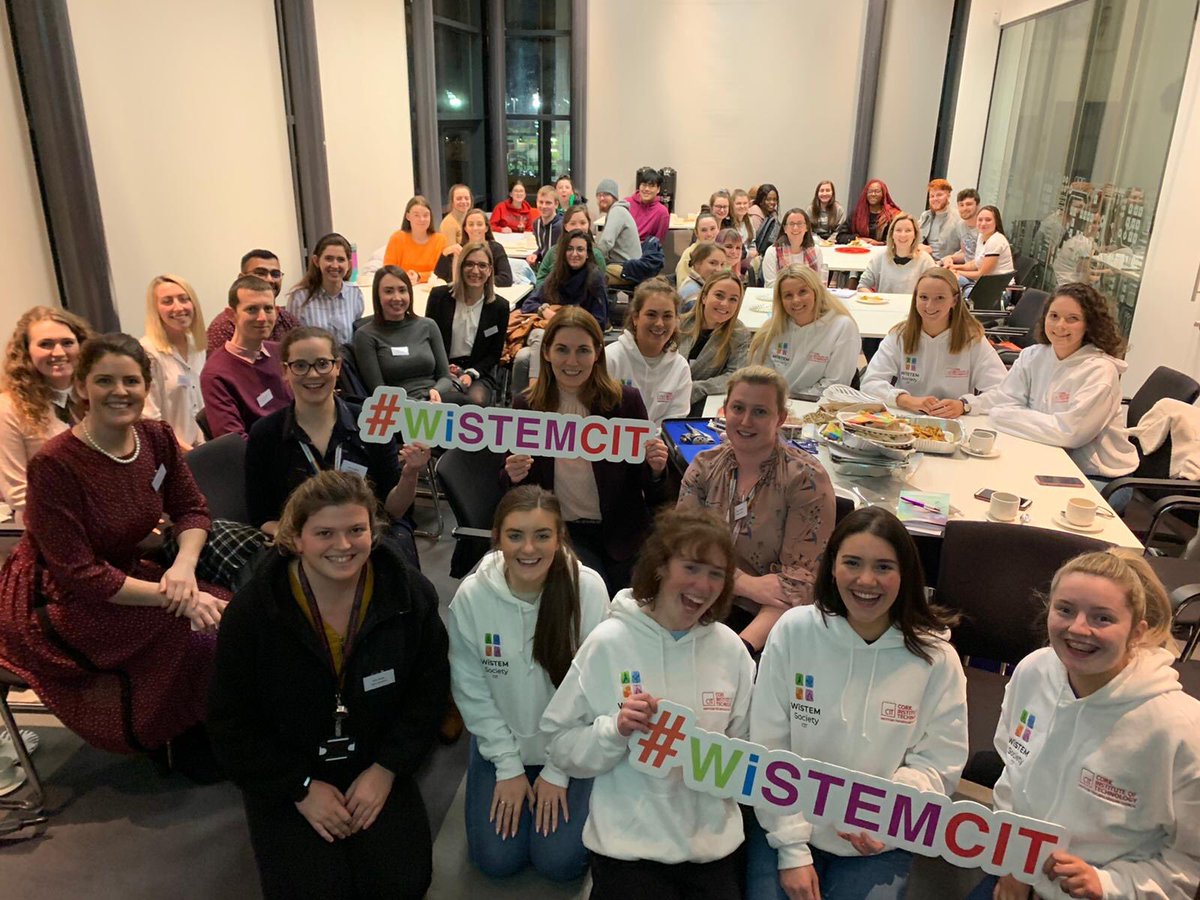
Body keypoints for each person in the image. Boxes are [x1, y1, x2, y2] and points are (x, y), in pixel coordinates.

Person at [208, 470, 448, 900]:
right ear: (296, 539)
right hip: (290, 773)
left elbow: (427, 696)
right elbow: (231, 723)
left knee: (402, 883)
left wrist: (387, 769)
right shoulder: (252, 613)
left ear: (373, 532)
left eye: (356, 530)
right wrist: (297, 787)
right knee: (312, 890)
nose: (343, 546)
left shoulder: (410, 596)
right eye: (324, 533)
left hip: (376, 762)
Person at [0, 333, 229, 758]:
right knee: (197, 633)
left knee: (228, 611)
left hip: (129, 573)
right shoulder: (55, 464)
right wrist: (174, 597)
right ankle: (168, 739)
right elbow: (79, 573)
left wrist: (183, 569)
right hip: (59, 600)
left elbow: (193, 510)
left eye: (131, 381)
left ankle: (203, 729)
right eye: (105, 381)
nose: (119, 392)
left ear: (146, 386)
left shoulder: (156, 437)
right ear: (82, 386)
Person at [747, 506, 968, 900]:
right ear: (832, 568)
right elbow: (767, 748)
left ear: (906, 575)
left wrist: (886, 818)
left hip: (878, 841)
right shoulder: (794, 632)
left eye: (884, 567)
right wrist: (793, 850)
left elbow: (938, 765)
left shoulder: (936, 658)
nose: (867, 581)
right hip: (787, 829)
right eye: (852, 563)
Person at [540, 507, 756, 899]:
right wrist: (614, 730)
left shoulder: (731, 651)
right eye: (691, 567)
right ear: (660, 567)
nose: (703, 586)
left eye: (716, 574)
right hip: (628, 847)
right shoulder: (609, 642)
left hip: (710, 845)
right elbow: (559, 743)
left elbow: (747, 751)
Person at [966, 550, 1200, 900]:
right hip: (1021, 876)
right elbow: (1012, 781)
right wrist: (1016, 864)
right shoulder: (1035, 672)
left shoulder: (1179, 729)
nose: (1078, 629)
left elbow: (1188, 864)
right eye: (1065, 610)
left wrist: (1106, 885)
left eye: (1102, 618)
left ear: (1137, 632)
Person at [449, 485, 609, 881]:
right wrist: (506, 766)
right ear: (498, 539)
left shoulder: (586, 589)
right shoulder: (472, 596)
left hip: (569, 748)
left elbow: (595, 693)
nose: (528, 549)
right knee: (497, 862)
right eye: (515, 535)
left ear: (559, 538)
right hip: (504, 745)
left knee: (560, 863)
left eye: (542, 536)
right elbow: (471, 691)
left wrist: (558, 770)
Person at [502, 307, 670, 593]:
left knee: (639, 601)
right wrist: (513, 476)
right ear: (546, 353)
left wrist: (656, 469)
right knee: (589, 594)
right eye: (562, 350)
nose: (571, 361)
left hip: (622, 530)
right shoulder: (526, 406)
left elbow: (655, 494)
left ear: (597, 354)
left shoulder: (625, 402)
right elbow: (508, 492)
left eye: (582, 350)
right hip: (561, 531)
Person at [678, 366, 835, 656]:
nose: (746, 421)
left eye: (760, 412)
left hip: (767, 620)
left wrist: (737, 652)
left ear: (781, 419)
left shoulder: (805, 479)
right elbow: (682, 551)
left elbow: (795, 586)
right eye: (738, 408)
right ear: (725, 410)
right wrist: (744, 583)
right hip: (699, 600)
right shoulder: (703, 466)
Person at [245, 325, 423, 566]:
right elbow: (261, 515)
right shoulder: (265, 434)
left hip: (370, 538)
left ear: (337, 366)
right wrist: (301, 540)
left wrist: (410, 473)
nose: (313, 374)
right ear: (285, 372)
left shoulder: (372, 423)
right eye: (300, 365)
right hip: (300, 545)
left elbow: (394, 511)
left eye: (322, 363)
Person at [971, 283, 1137, 477]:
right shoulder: (1033, 356)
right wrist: (969, 405)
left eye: (1072, 319)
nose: (1060, 326)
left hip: (1096, 475)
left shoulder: (1100, 372)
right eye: (1054, 316)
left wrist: (1004, 415)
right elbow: (1004, 400)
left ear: (1089, 324)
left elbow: (1070, 434)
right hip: (1044, 454)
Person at [860, 268, 1007, 417]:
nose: (930, 306)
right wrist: (905, 400)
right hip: (907, 420)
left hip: (955, 422)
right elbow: (870, 383)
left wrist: (964, 405)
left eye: (940, 298)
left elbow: (1002, 392)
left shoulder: (972, 339)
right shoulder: (899, 335)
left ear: (954, 300)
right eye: (923, 297)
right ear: (915, 298)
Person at [0, 306, 93, 516]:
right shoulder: (7, 408)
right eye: (46, 344)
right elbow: (17, 492)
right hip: (49, 527)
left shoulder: (94, 396)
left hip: (108, 524)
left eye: (67, 343)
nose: (58, 353)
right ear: (26, 351)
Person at [200, 275, 292, 439]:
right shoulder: (216, 374)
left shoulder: (280, 352)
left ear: (277, 312)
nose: (262, 317)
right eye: (252, 309)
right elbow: (233, 443)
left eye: (268, 309)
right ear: (231, 315)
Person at [749, 264, 861, 397]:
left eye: (803, 292)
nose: (796, 300)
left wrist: (794, 401)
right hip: (775, 404)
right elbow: (760, 376)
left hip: (818, 405)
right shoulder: (773, 328)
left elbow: (835, 384)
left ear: (816, 292)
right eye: (788, 295)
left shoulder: (842, 327)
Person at [426, 242, 511, 407]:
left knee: (474, 403)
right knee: (441, 399)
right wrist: (445, 368)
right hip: (441, 367)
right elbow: (427, 340)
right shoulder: (439, 297)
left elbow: (494, 354)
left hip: (478, 371)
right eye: (469, 264)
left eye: (482, 265)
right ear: (460, 266)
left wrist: (471, 374)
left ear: (490, 270)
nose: (475, 271)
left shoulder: (499, 307)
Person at [352, 266, 452, 402]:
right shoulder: (365, 335)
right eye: (388, 291)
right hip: (397, 408)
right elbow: (378, 389)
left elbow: (445, 377)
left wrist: (435, 391)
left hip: (436, 400)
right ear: (377, 295)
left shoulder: (428, 325)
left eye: (402, 290)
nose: (397, 297)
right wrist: (419, 405)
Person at [605, 278, 692, 426]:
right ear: (635, 318)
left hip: (658, 447)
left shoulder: (680, 368)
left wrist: (650, 443)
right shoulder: (610, 358)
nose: (659, 323)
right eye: (651, 315)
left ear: (677, 320)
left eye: (667, 316)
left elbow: (674, 423)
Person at [140, 274, 207, 451]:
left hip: (201, 448)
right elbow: (150, 419)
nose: (178, 307)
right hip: (170, 453)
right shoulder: (148, 353)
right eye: (167, 301)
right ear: (156, 309)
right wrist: (187, 452)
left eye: (184, 299)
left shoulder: (197, 346)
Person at [675, 272, 751, 415]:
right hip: (668, 398)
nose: (725, 304)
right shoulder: (678, 324)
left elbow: (735, 376)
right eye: (719, 295)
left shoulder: (739, 334)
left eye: (733, 299)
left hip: (705, 402)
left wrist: (697, 388)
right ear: (704, 297)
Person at [206, 249, 301, 352]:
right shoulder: (222, 328)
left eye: (275, 274)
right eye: (260, 273)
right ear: (241, 278)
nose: (270, 279)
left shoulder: (288, 321)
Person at [285, 233, 365, 347]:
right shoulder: (299, 297)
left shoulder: (355, 294)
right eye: (329, 259)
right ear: (316, 261)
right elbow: (292, 342)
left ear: (349, 264)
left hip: (347, 362)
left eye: (341, 260)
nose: (335, 265)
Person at [856, 212, 936, 294]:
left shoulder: (926, 261)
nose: (903, 235)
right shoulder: (880, 256)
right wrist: (875, 300)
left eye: (908, 230)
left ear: (915, 234)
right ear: (892, 234)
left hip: (912, 307)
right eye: (898, 230)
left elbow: (934, 290)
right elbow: (862, 286)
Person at [434, 208, 515, 287]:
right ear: (465, 228)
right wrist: (445, 254)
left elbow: (506, 279)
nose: (475, 228)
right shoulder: (459, 250)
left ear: (486, 228)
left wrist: (473, 281)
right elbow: (441, 276)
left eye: (479, 224)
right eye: (471, 224)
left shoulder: (496, 248)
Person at [384, 196, 450, 284]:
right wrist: (405, 277)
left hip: (431, 288)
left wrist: (419, 276)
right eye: (416, 215)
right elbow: (388, 269)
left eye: (426, 215)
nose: (422, 219)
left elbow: (442, 273)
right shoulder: (397, 238)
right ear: (408, 216)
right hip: (403, 287)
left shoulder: (440, 240)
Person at [536, 203, 605, 286]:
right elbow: (540, 280)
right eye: (573, 223)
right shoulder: (553, 252)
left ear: (588, 225)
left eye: (583, 223)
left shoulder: (596, 255)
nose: (578, 227)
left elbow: (600, 285)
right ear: (565, 226)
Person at [945, 205, 1014, 285]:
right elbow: (974, 264)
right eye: (980, 220)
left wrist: (955, 272)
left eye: (988, 220)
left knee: (949, 280)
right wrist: (953, 267)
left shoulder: (996, 240)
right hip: (983, 285)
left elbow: (982, 275)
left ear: (996, 222)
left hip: (999, 289)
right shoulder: (982, 236)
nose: (983, 223)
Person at [762, 208, 827, 289]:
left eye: (799, 223)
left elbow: (819, 282)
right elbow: (770, 285)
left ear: (806, 227)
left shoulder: (816, 251)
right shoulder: (772, 252)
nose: (795, 228)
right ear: (785, 229)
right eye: (791, 224)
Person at [594, 178, 643, 277]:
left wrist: (592, 258)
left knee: (591, 274)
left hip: (627, 267)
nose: (602, 198)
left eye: (606, 195)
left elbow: (606, 242)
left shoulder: (617, 211)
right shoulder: (617, 210)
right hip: (627, 264)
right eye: (599, 195)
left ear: (614, 197)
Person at [837, 179, 901, 245]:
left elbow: (900, 239)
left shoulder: (893, 215)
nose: (873, 194)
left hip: (883, 252)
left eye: (877, 191)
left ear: (883, 194)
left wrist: (880, 243)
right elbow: (840, 236)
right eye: (870, 191)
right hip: (859, 251)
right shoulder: (857, 214)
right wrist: (858, 239)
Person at [917, 178, 961, 262]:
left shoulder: (958, 218)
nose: (935, 199)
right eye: (932, 196)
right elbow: (913, 240)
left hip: (948, 265)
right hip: (925, 262)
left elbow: (965, 251)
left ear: (948, 196)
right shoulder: (925, 216)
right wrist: (919, 246)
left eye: (939, 195)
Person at [674, 212, 722, 285]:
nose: (709, 234)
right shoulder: (689, 254)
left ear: (718, 229)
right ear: (696, 233)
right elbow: (682, 285)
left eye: (712, 229)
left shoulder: (721, 251)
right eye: (704, 230)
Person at [678, 241, 729, 309]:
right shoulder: (693, 294)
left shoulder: (702, 285)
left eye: (722, 264)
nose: (719, 269)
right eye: (712, 263)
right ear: (697, 263)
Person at [940, 188, 981, 268]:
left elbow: (983, 260)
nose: (964, 208)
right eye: (961, 205)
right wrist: (950, 258)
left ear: (978, 206)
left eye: (969, 204)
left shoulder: (983, 227)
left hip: (979, 274)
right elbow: (965, 253)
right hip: (966, 270)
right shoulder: (960, 225)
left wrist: (957, 269)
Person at [626, 168, 669, 243]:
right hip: (625, 248)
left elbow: (658, 242)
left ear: (658, 189)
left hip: (647, 251)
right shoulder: (626, 203)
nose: (646, 189)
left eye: (651, 186)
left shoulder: (662, 212)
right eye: (644, 185)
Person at [528, 185, 563, 269]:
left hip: (558, 270)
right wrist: (536, 255)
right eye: (541, 202)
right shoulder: (536, 224)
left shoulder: (561, 225)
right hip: (544, 268)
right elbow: (543, 248)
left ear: (556, 204)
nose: (543, 206)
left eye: (548, 203)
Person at [750, 183, 781, 254]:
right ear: (761, 201)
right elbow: (756, 241)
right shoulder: (755, 215)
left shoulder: (773, 214)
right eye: (768, 199)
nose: (772, 202)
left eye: (774, 199)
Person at [730, 189, 758, 265]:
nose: (742, 206)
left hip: (748, 261)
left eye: (745, 203)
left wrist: (753, 252)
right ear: (732, 205)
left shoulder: (749, 220)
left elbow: (752, 241)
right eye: (738, 203)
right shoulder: (729, 223)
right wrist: (749, 254)